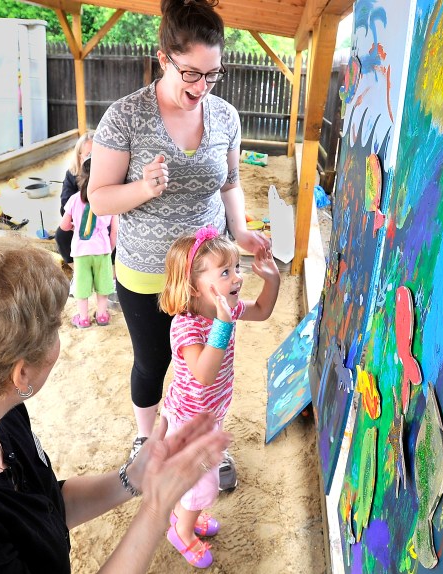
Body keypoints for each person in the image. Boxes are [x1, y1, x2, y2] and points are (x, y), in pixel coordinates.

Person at [0, 234, 231, 573]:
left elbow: (45, 508)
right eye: (56, 328)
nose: (61, 335)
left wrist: (133, 477)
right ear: (21, 374)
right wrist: (157, 509)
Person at [87, 0, 270, 484]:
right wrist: (143, 188)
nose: (201, 87)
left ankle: (202, 441)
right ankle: (148, 441)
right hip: (147, 269)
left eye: (212, 75)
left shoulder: (226, 116)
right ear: (164, 56)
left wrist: (244, 230)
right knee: (155, 360)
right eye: (191, 73)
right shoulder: (125, 116)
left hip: (209, 271)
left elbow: (230, 181)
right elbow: (99, 198)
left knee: (209, 359)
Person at [158, 227, 279, 567]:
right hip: (188, 422)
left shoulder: (225, 309)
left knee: (197, 478)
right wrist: (223, 324)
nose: (237, 277)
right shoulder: (187, 326)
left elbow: (264, 310)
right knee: (203, 484)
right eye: (225, 271)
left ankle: (187, 515)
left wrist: (272, 280)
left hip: (210, 414)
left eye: (236, 268)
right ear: (194, 285)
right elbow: (204, 373)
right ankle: (181, 531)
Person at [60, 155, 118, 328]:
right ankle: (102, 316)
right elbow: (115, 231)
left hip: (81, 251)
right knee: (103, 286)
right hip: (102, 250)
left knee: (82, 287)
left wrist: (73, 227)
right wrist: (110, 246)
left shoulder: (74, 199)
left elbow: (63, 226)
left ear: (81, 177)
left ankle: (83, 319)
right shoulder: (110, 200)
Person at [55, 130, 94, 267]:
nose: (92, 159)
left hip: (103, 221)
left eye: (97, 154)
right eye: (88, 155)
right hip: (78, 222)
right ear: (80, 156)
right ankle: (76, 269)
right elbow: (64, 205)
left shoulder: (109, 173)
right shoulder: (72, 174)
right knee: (61, 234)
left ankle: (110, 272)